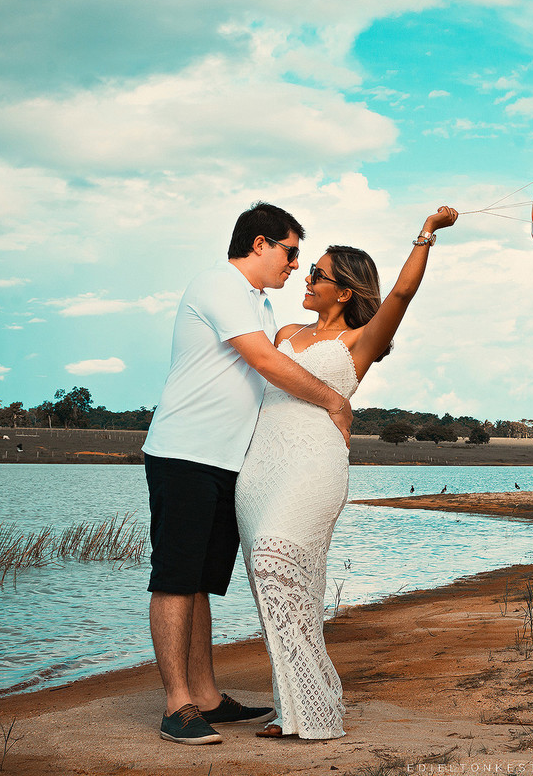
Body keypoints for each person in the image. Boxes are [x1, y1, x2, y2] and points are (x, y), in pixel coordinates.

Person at [235, 205, 458, 739]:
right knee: (283, 587)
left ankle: (312, 705)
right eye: (306, 269)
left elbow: (401, 296)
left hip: (316, 460)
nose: (306, 279)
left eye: (317, 274)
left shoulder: (361, 341)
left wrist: (426, 232)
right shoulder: (284, 330)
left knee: (275, 560)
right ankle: (300, 705)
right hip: (259, 465)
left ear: (344, 292)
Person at [142, 202, 355, 746]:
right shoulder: (218, 284)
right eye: (290, 252)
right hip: (187, 453)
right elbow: (264, 362)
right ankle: (176, 706)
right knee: (175, 578)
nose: (294, 266)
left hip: (231, 464)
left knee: (202, 583)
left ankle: (208, 697)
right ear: (260, 243)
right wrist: (334, 401)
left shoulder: (259, 303)